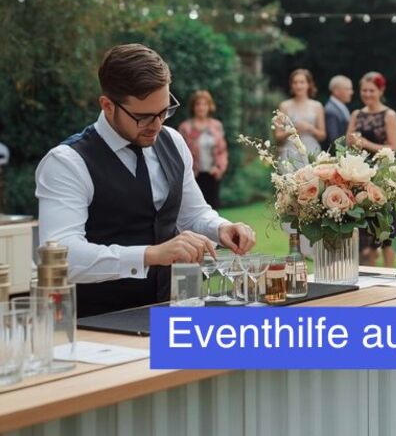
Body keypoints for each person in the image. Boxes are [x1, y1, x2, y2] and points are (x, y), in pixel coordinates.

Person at [35, 44, 255, 317]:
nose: (157, 124)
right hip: (100, 324)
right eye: (143, 117)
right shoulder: (67, 162)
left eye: (164, 111)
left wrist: (221, 227)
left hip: (173, 307)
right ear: (107, 105)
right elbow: (59, 256)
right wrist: (150, 255)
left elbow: (193, 213)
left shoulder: (173, 141)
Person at [347, 72, 396, 267]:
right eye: (364, 90)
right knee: (363, 224)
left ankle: (389, 270)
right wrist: (353, 144)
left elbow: (393, 147)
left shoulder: (389, 115)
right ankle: (367, 266)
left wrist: (366, 143)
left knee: (386, 222)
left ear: (381, 91)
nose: (367, 94)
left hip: (381, 173)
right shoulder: (356, 114)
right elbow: (349, 141)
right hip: (359, 174)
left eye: (372, 90)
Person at [178, 90, 228, 210]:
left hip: (212, 175)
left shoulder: (216, 126)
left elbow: (222, 151)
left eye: (205, 104)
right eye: (198, 104)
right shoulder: (185, 128)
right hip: (193, 176)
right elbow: (180, 152)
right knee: (194, 211)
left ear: (209, 106)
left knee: (213, 210)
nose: (201, 107)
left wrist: (219, 168)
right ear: (193, 107)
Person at [275, 69, 326, 168]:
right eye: (295, 82)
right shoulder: (284, 106)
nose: (298, 86)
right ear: (291, 85)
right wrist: (292, 131)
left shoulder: (317, 106)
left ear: (308, 84)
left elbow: (322, 135)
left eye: (302, 82)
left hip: (311, 150)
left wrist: (310, 128)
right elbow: (277, 136)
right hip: (290, 152)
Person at [324, 75, 354, 152]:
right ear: (336, 91)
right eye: (348, 89)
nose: (351, 92)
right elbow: (334, 140)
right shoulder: (331, 110)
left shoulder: (340, 106)